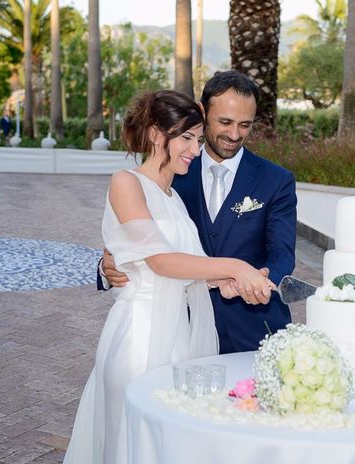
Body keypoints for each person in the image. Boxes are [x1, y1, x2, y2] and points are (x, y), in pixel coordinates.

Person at [60, 90, 274, 464]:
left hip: (181, 336)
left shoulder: (173, 197)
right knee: (133, 451)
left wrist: (226, 282)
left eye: (197, 137)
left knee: (167, 456)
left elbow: (182, 272)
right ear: (158, 135)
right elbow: (159, 261)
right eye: (187, 138)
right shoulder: (126, 182)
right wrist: (235, 266)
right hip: (140, 338)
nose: (196, 148)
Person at [101, 71, 297, 353]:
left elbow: (282, 253)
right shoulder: (174, 172)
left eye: (245, 125)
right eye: (225, 122)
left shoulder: (275, 180)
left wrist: (255, 281)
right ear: (203, 112)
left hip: (251, 330)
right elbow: (145, 247)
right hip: (169, 331)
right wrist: (109, 265)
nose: (234, 134)